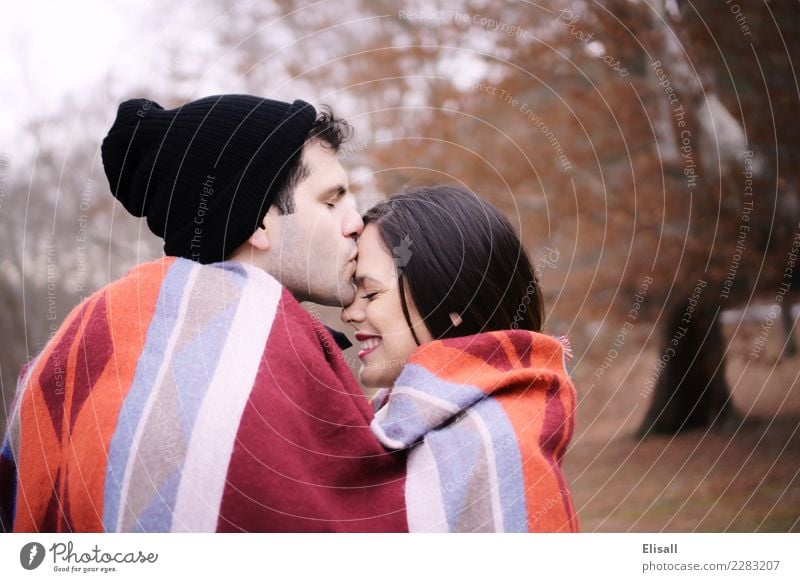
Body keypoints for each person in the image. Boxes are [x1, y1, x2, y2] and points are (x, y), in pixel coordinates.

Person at [0, 95, 407, 532]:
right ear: (259, 222)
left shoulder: (81, 351)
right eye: (331, 201)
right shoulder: (255, 367)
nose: (355, 223)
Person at [341, 185, 579, 532]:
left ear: (450, 302)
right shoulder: (397, 422)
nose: (349, 313)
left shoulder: (491, 441)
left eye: (371, 293)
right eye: (351, 292)